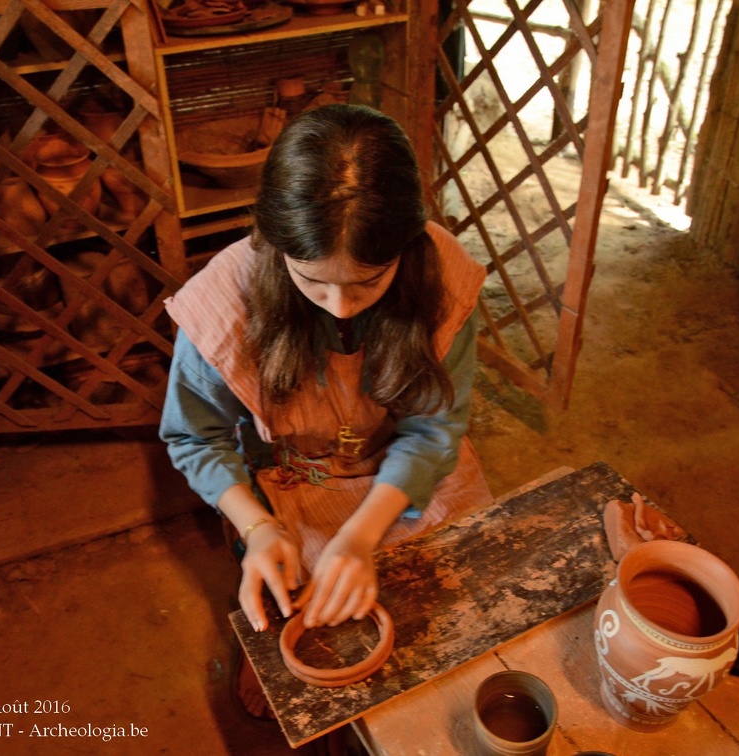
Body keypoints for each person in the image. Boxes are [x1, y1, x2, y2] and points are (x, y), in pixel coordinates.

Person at [158, 103, 494, 716]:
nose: (340, 307)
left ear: (408, 243)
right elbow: (195, 439)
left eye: (368, 281)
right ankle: (266, 620)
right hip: (292, 471)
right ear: (274, 241)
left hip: (397, 461)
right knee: (294, 596)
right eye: (313, 282)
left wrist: (360, 535)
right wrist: (257, 528)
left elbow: (434, 427)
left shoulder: (440, 273)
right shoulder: (221, 300)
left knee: (469, 573)